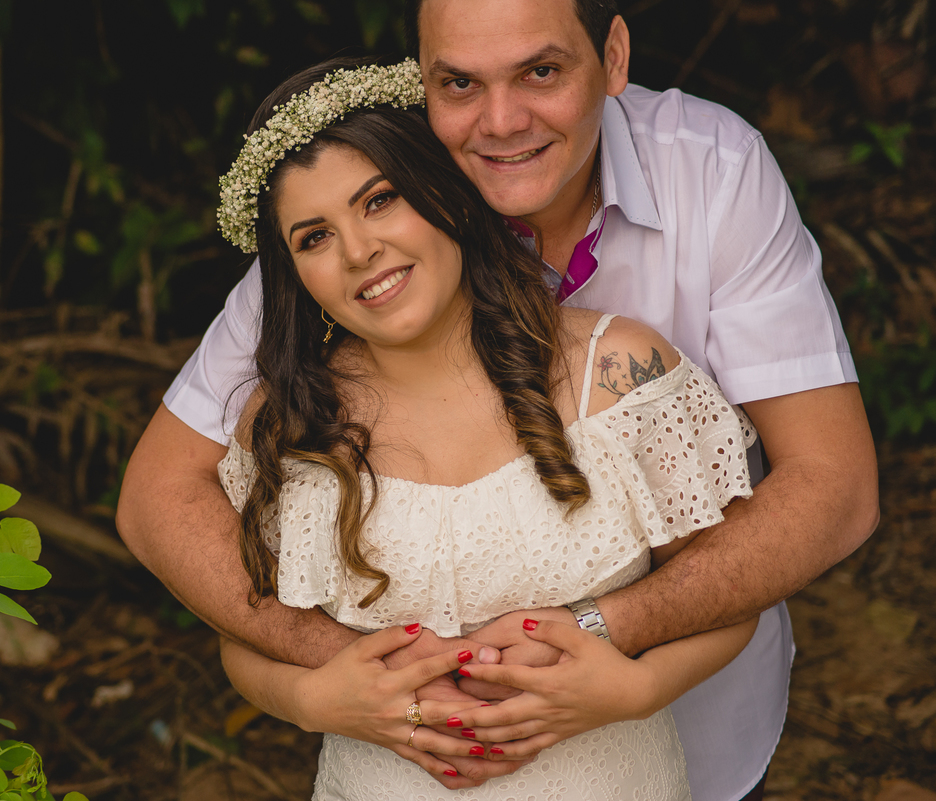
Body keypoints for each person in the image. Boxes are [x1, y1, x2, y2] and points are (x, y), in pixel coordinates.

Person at [116, 1, 879, 798]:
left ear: (613, 57)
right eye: (459, 83)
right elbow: (162, 501)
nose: (501, 122)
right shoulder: (360, 224)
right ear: (422, 90)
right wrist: (340, 671)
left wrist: (614, 643)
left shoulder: (707, 178)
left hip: (670, 737)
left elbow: (835, 486)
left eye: (541, 71)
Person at [209, 55, 761, 798]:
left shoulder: (619, 379)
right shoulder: (287, 427)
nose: (358, 250)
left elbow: (730, 597)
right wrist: (310, 699)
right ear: (293, 275)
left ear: (447, 195)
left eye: (379, 200)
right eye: (313, 237)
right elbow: (243, 636)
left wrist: (634, 689)